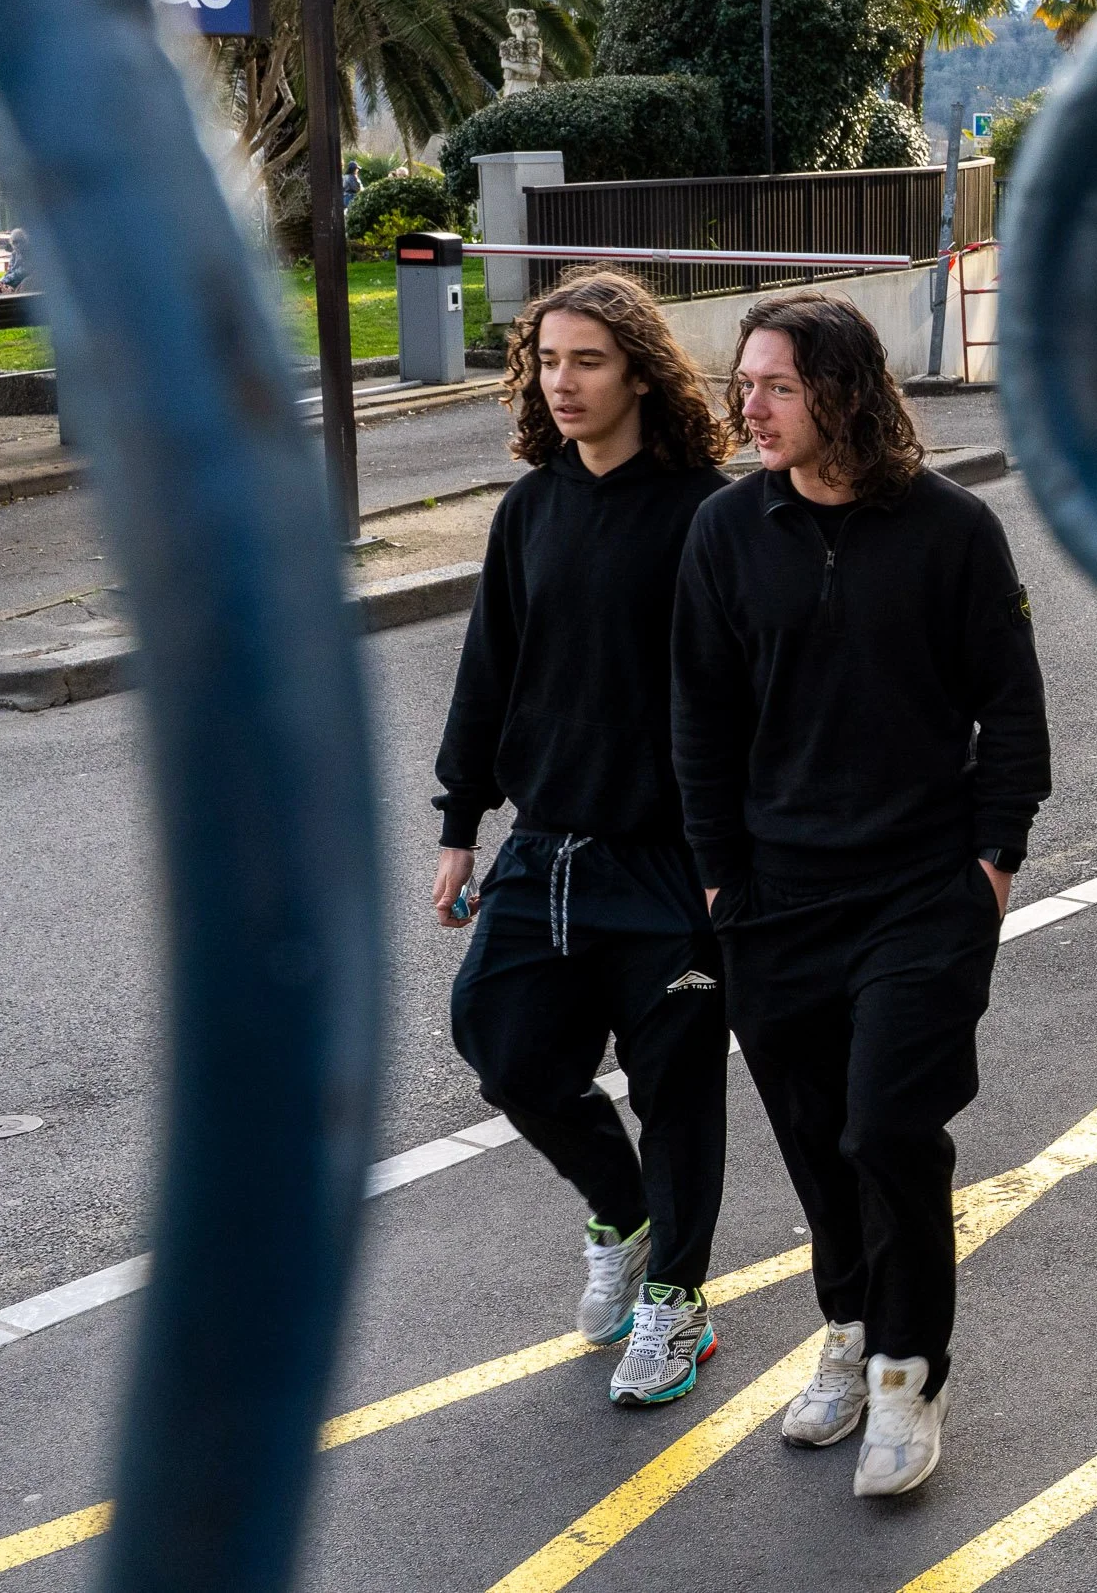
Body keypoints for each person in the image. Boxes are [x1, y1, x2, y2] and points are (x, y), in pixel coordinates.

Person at [672, 292, 1050, 1497]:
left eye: (775, 385)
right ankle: (847, 1326)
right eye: (746, 383)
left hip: (920, 892)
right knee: (812, 1135)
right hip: (776, 896)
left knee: (889, 1124)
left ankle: (905, 1372)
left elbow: (1016, 713)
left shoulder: (953, 532)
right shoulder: (728, 533)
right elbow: (700, 721)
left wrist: (991, 864)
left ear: (840, 392)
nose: (751, 405)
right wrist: (722, 876)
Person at [431, 268, 737, 1404]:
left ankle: (680, 1305)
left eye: (587, 361)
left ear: (640, 372)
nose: (562, 382)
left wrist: (730, 863)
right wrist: (461, 823)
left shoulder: (707, 512)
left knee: (678, 1089)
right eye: (547, 361)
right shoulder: (531, 507)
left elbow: (744, 693)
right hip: (548, 851)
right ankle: (625, 1212)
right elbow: (487, 674)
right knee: (502, 1046)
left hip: (669, 864)